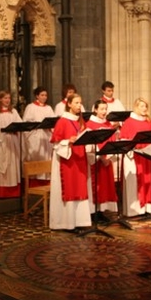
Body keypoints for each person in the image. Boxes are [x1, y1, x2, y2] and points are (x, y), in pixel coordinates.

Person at [49, 93, 93, 230]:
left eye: (80, 103)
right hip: (67, 160)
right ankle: (66, 223)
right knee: (69, 187)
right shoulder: (62, 121)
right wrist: (68, 141)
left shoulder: (80, 121)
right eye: (76, 103)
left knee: (80, 187)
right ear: (69, 104)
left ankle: (80, 221)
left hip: (79, 160)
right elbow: (55, 144)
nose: (79, 106)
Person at [119, 97, 151, 216]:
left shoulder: (148, 121)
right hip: (134, 156)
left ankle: (149, 208)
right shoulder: (129, 121)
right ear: (136, 107)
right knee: (136, 182)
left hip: (147, 156)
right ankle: (135, 210)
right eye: (141, 106)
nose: (144, 109)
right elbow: (124, 139)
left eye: (146, 106)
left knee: (149, 181)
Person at [86, 100, 118, 216]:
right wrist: (101, 158)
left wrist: (109, 158)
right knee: (97, 186)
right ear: (95, 110)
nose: (104, 112)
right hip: (97, 161)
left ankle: (102, 211)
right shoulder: (89, 125)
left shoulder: (108, 124)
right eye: (101, 109)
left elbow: (113, 141)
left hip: (107, 160)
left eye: (106, 109)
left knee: (106, 186)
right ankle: (95, 212)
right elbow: (89, 145)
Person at [22, 86, 54, 183]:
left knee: (46, 158)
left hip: (46, 137)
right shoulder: (30, 107)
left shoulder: (49, 108)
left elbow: (53, 122)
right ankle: (34, 182)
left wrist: (49, 126)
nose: (44, 97)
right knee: (36, 158)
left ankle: (46, 181)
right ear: (37, 96)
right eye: (42, 95)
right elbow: (26, 123)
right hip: (35, 137)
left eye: (45, 95)